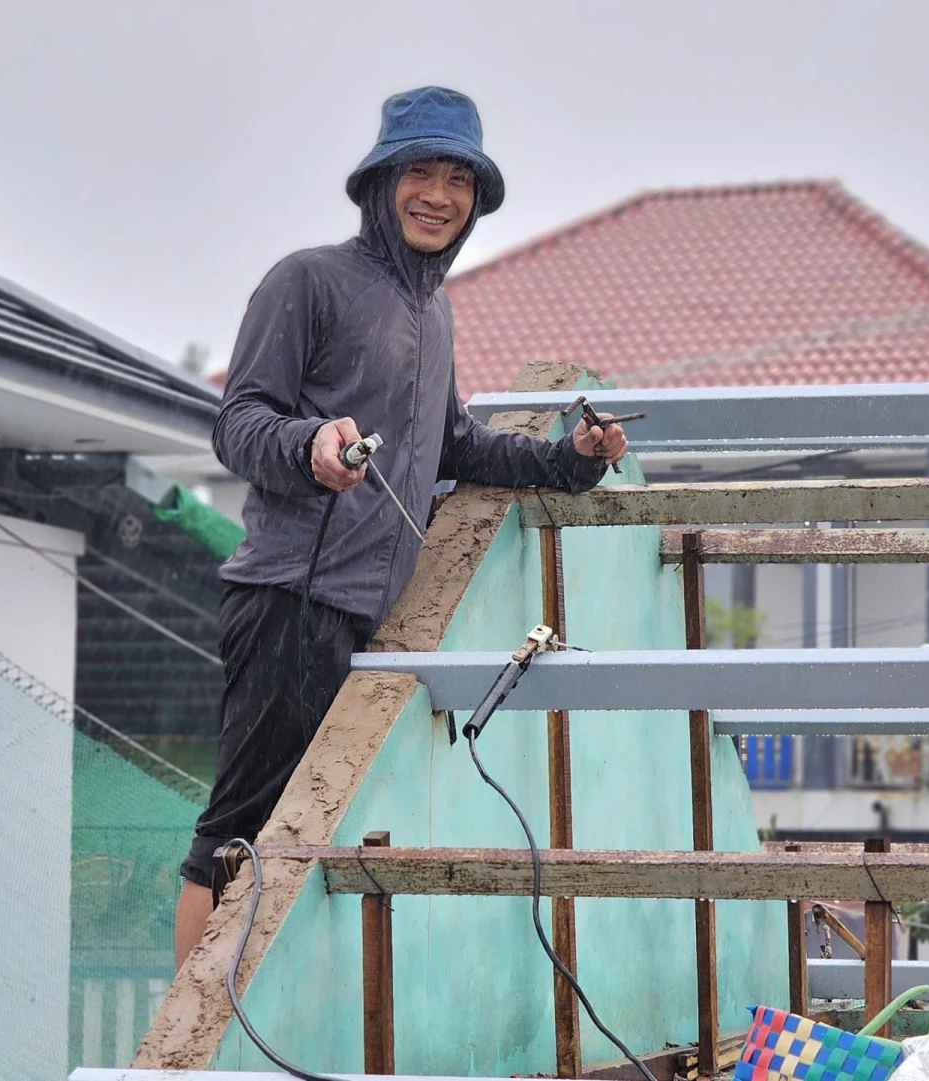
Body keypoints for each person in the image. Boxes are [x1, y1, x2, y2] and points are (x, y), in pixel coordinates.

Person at [173, 87, 626, 965]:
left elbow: (451, 442)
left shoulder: (432, 309)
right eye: (419, 171)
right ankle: (181, 1052)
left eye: (459, 178)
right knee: (239, 833)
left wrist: (572, 458)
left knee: (314, 842)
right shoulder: (309, 279)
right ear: (380, 183)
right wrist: (310, 444)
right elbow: (237, 423)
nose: (439, 193)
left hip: (365, 620)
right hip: (287, 600)